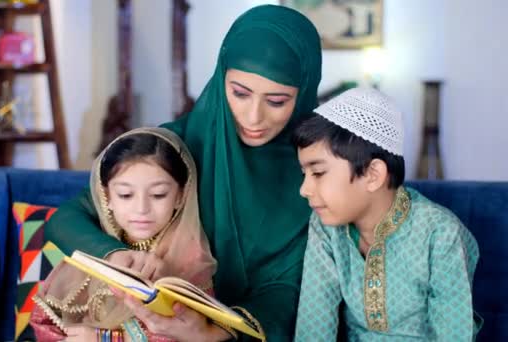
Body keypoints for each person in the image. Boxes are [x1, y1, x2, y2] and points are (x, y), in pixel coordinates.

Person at [45, 4, 322, 341]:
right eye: (239, 93)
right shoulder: (172, 148)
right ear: (221, 77)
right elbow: (67, 218)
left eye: (277, 101)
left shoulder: (316, 174)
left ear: (305, 91)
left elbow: (292, 289)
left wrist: (214, 333)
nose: (253, 117)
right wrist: (116, 255)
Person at [293, 87, 482, 341]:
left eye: (317, 173)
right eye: (304, 174)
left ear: (373, 175)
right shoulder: (325, 226)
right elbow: (314, 326)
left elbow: (453, 335)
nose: (304, 190)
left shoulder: (440, 232)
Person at [29, 127, 217, 341]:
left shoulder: (189, 258)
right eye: (126, 195)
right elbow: (44, 321)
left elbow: (180, 334)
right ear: (106, 197)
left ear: (180, 197)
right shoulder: (96, 245)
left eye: (158, 194)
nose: (141, 208)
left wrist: (104, 338)